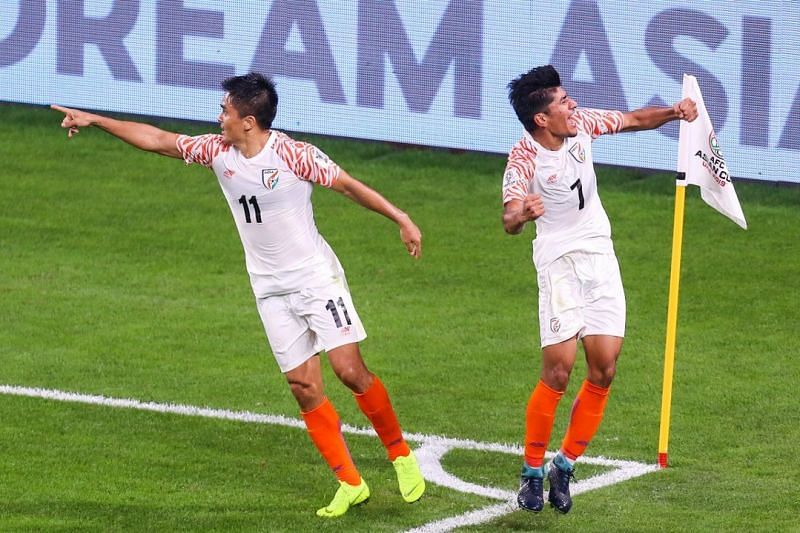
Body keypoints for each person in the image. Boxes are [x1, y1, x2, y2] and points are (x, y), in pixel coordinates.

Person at [52, 72, 425, 518]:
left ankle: (400, 454)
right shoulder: (217, 152)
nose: (219, 117)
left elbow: (347, 186)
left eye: (225, 111)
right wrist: (96, 119)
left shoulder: (294, 155)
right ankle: (350, 483)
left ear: (248, 120)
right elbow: (157, 139)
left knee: (348, 370)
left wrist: (400, 217)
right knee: (303, 386)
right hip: (268, 290)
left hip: (315, 280)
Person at [501, 65, 697, 514]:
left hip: (599, 256)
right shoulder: (523, 159)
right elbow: (509, 218)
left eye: (569, 99)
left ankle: (564, 465)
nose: (573, 106)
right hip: (559, 263)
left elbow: (631, 120)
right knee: (558, 370)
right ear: (541, 120)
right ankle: (531, 473)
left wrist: (674, 112)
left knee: (604, 368)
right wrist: (523, 215)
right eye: (563, 103)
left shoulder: (583, 124)